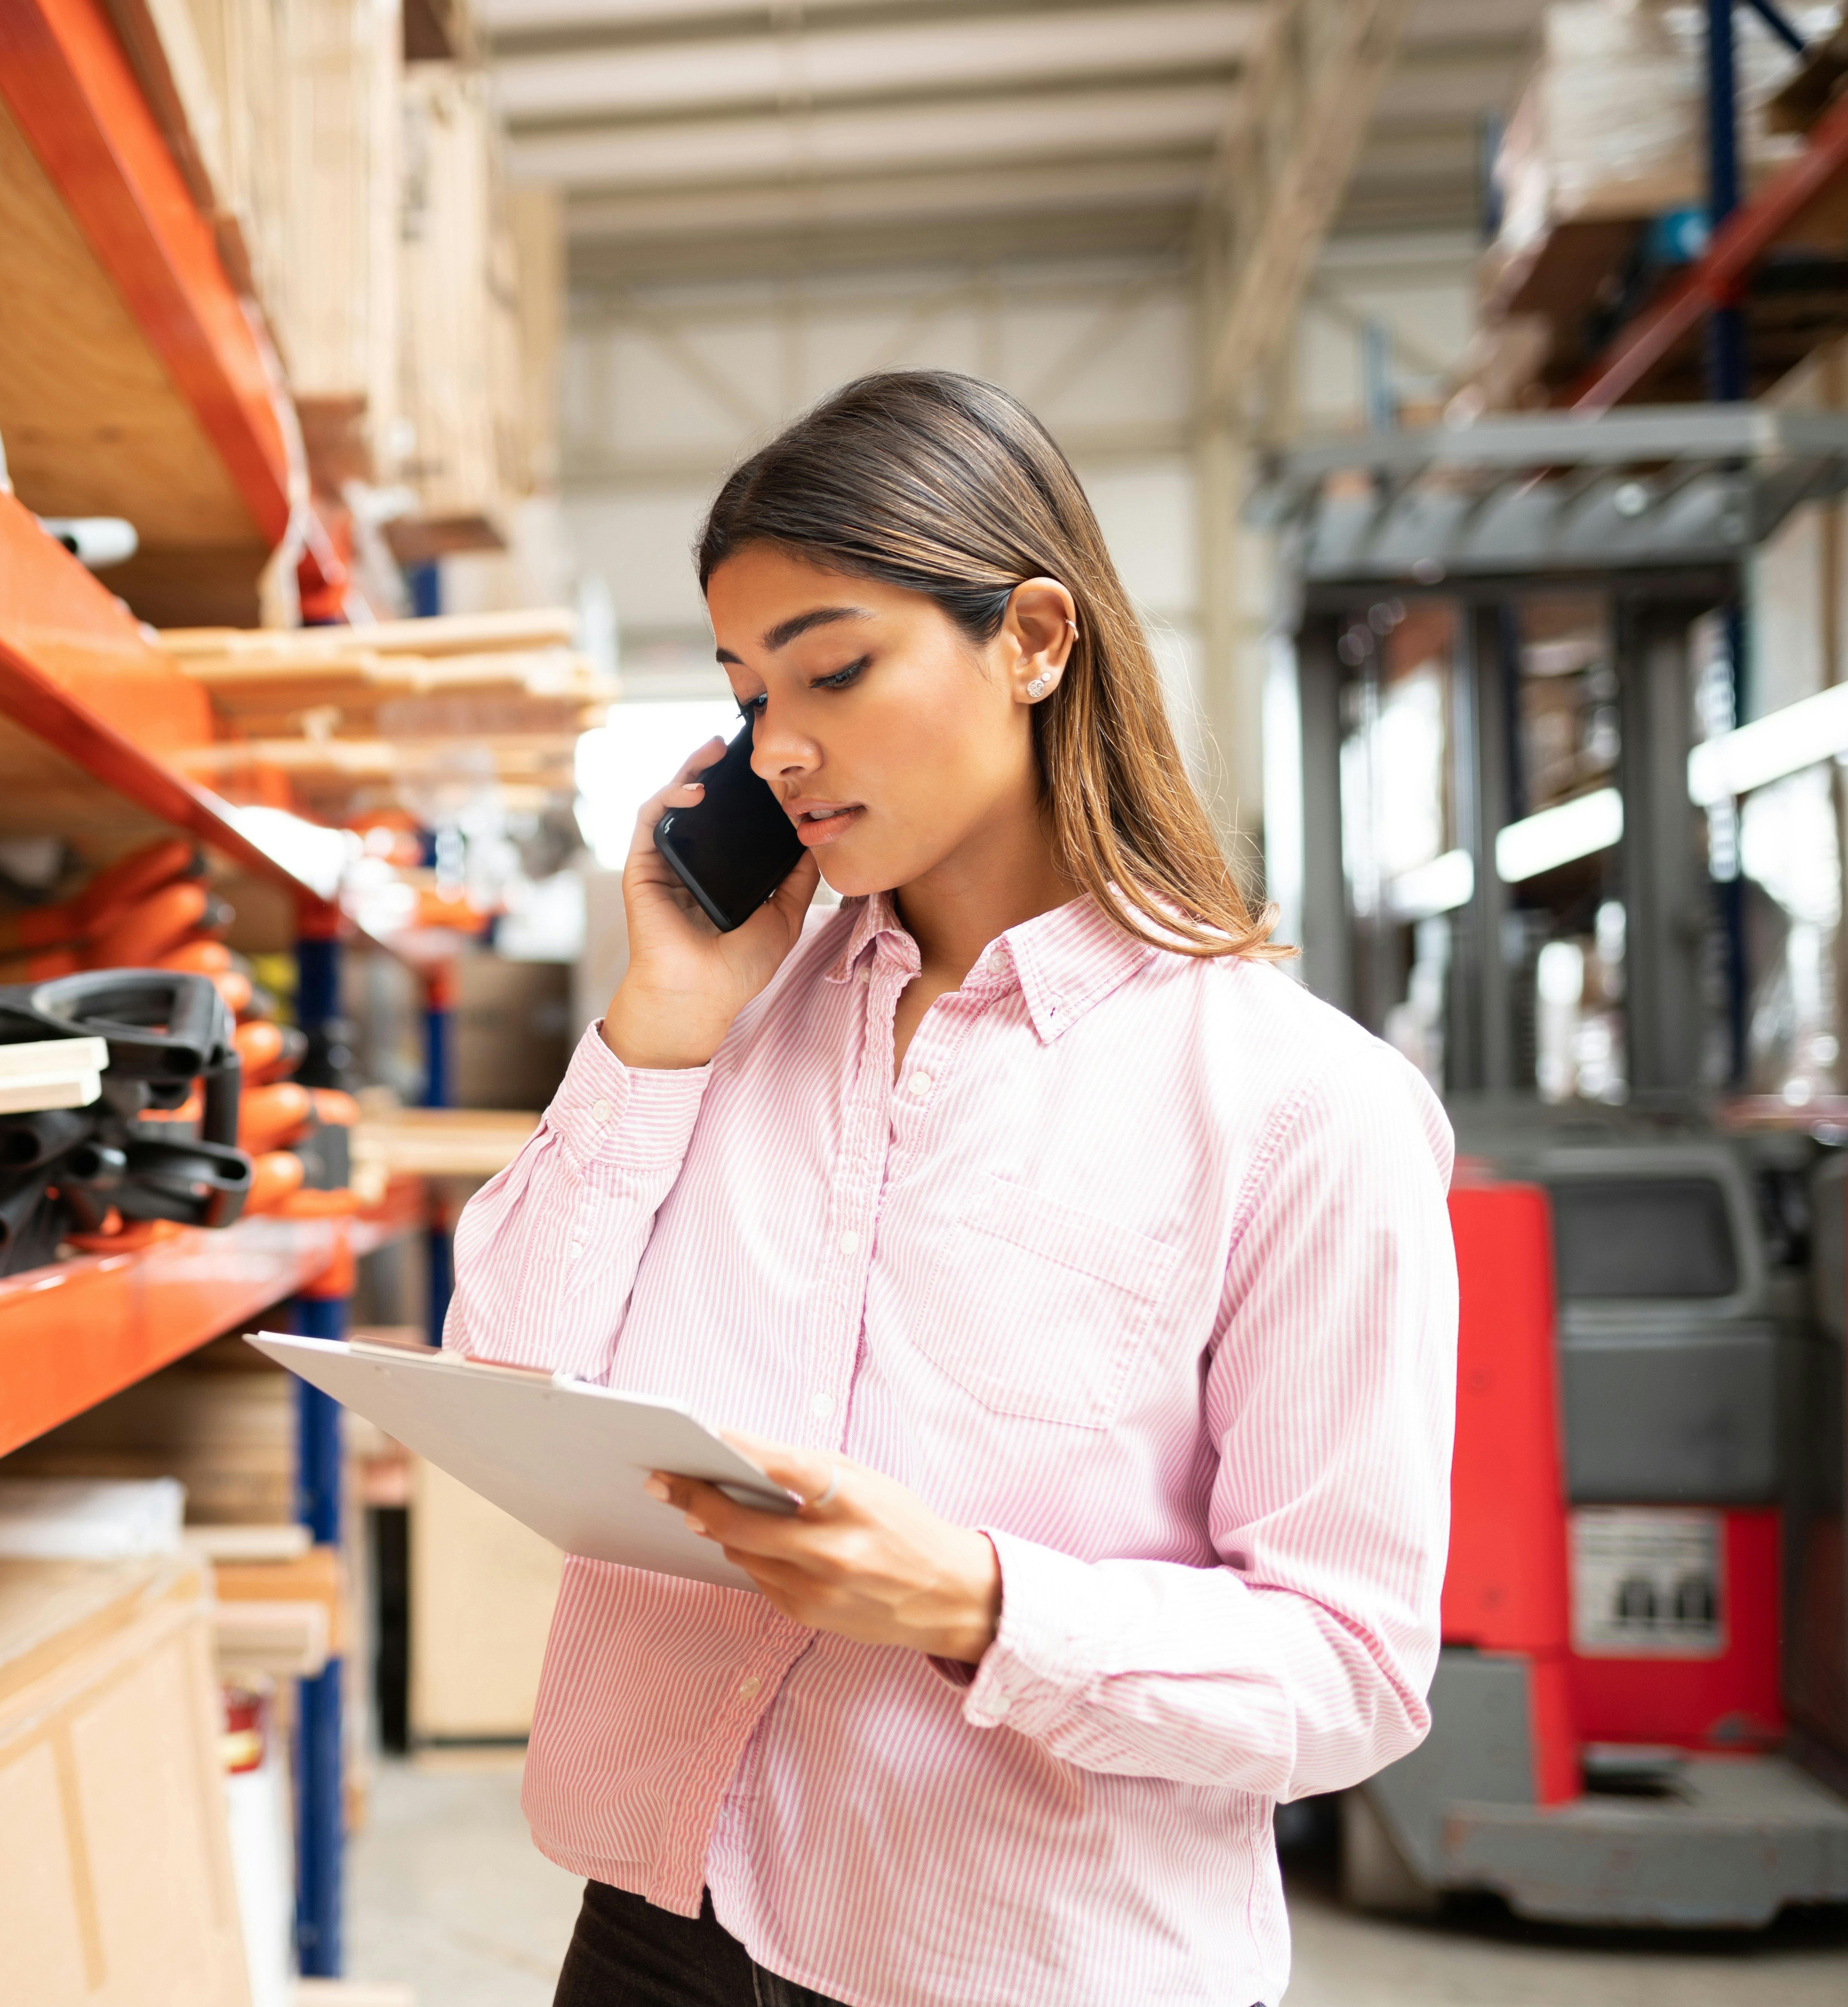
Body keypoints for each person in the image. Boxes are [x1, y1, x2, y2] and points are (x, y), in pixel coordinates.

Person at [446, 370, 1455, 2007]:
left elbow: (1349, 1669)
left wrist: (982, 1606)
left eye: (833, 670)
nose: (778, 749)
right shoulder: (723, 1020)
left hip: (1012, 1960)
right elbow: (501, 1372)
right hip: (655, 1919)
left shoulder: (1302, 1110)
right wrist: (663, 1018)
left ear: (1034, 640)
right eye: (744, 694)